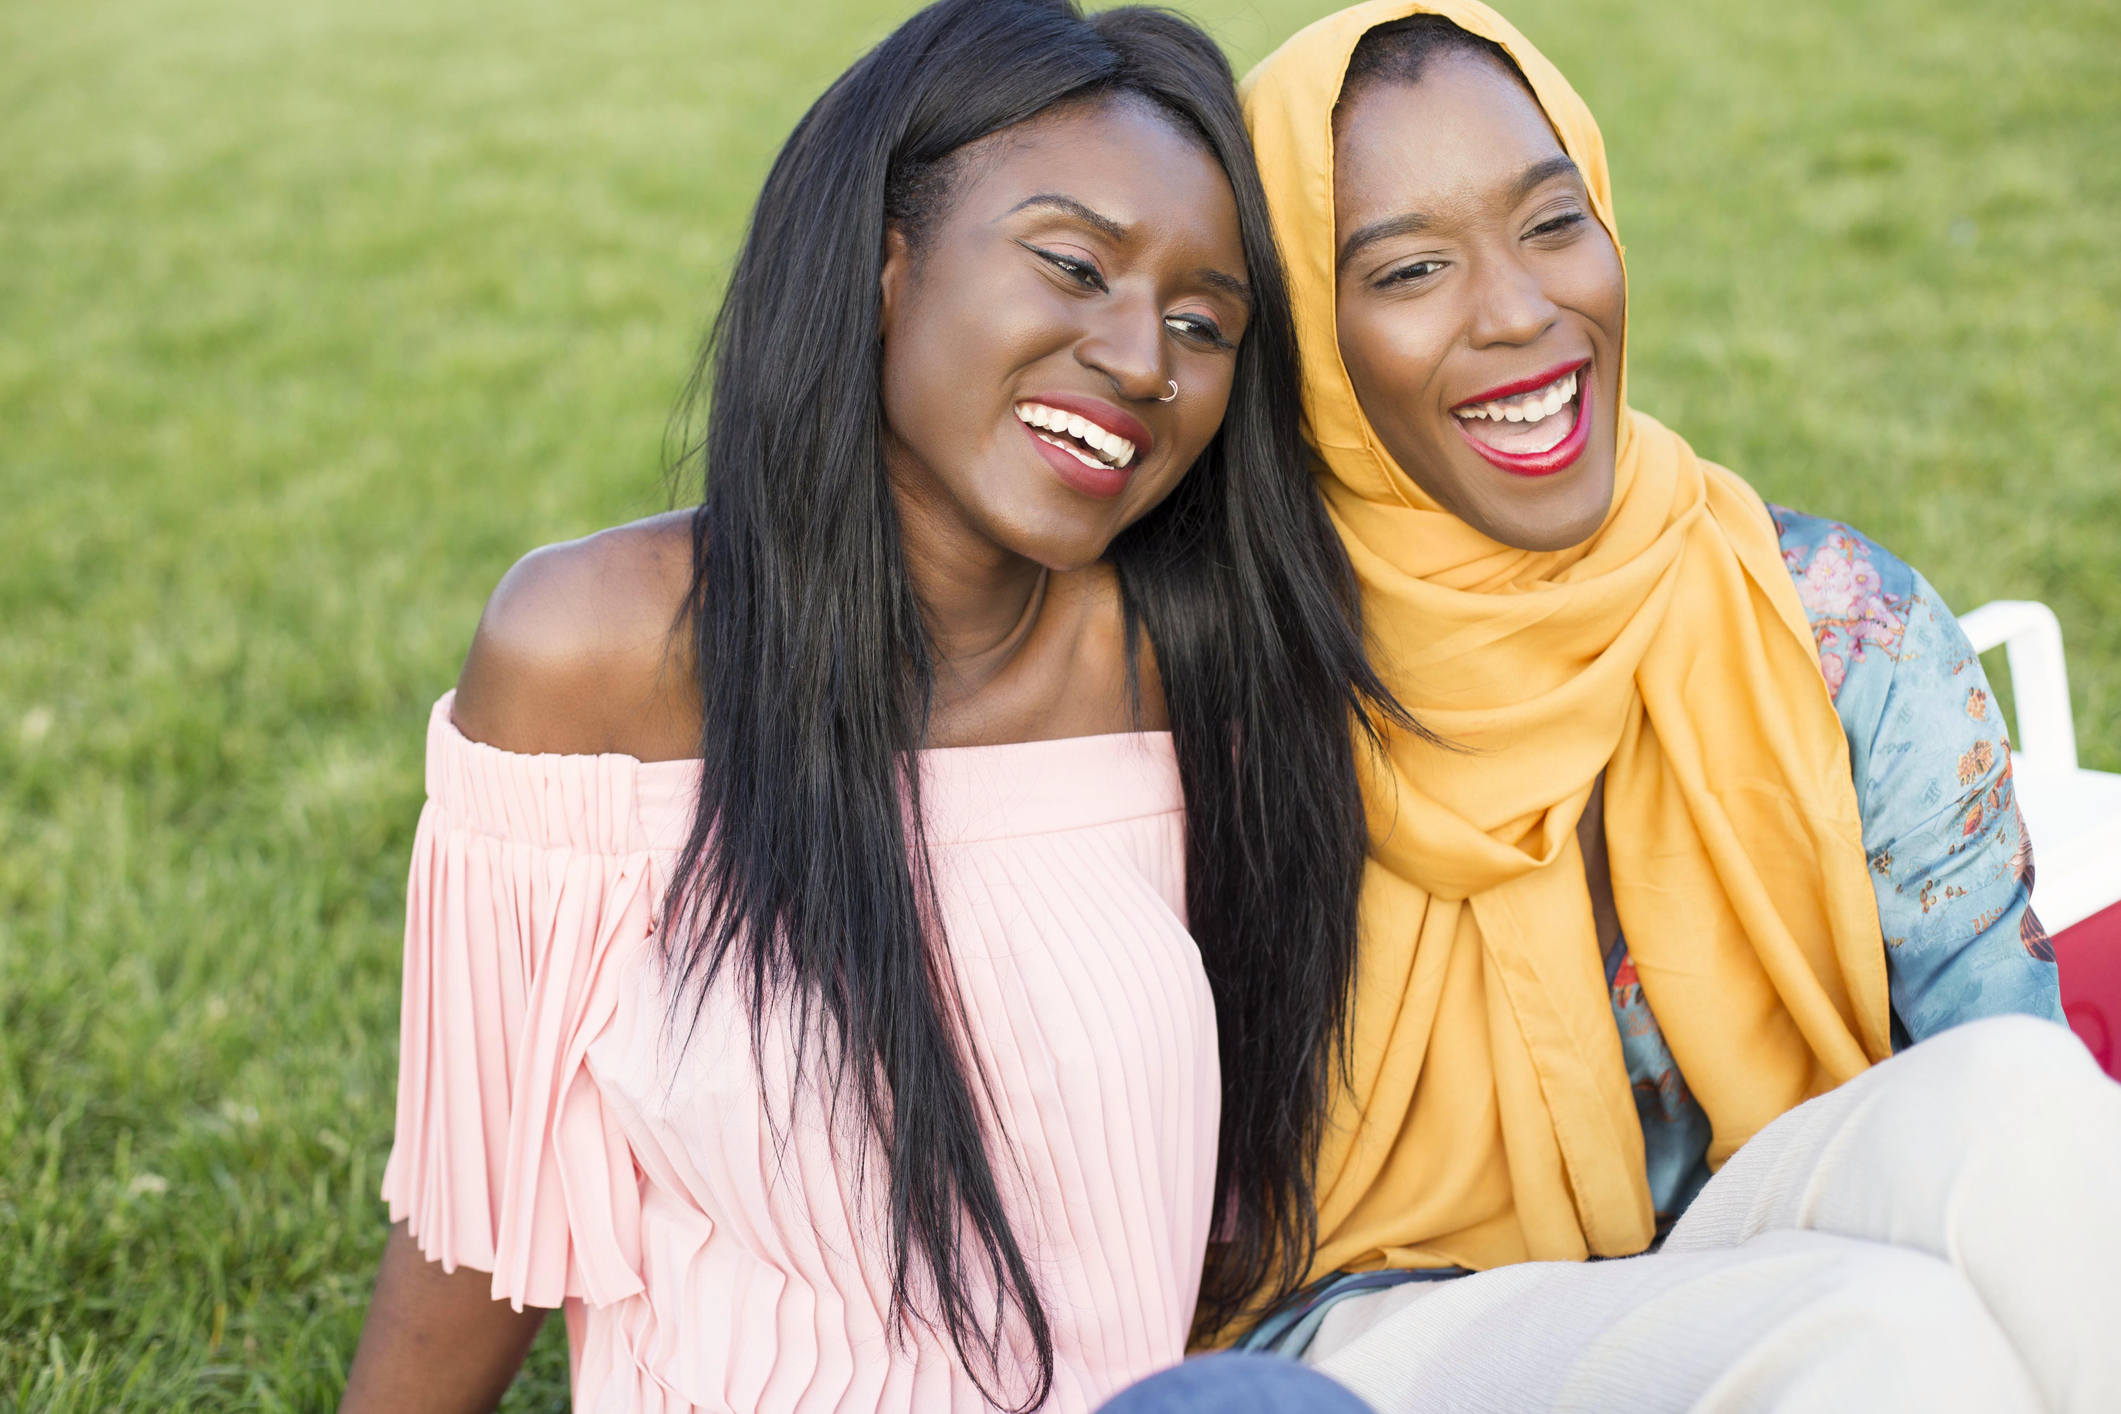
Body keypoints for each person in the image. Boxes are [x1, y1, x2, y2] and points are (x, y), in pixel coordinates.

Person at [336, 1, 1403, 1409]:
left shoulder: (1183, 662)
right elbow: (480, 1208)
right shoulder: (595, 654)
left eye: (1202, 322)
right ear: (884, 260)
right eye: (1074, 263)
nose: (1144, 358)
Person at [1105, 2, 2121, 1410]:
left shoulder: (1825, 622)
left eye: (1550, 221)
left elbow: (1991, 1090)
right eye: (1408, 269)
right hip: (1385, 1327)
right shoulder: (1196, 684)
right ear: (1303, 343)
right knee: (1886, 1335)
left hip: (1759, 1239)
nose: (1521, 310)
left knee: (2028, 1096)